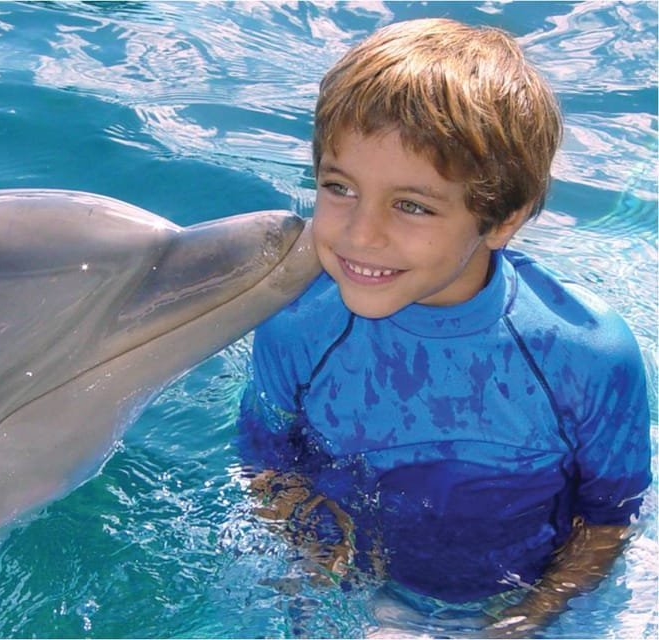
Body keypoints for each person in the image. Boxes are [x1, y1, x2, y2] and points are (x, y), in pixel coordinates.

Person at [237, 17, 652, 636]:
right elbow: (267, 470)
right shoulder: (295, 331)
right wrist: (324, 578)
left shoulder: (586, 353)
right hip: (362, 594)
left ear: (502, 220)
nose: (360, 234)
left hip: (527, 603)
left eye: (412, 205)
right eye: (338, 187)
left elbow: (610, 521)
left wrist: (519, 622)